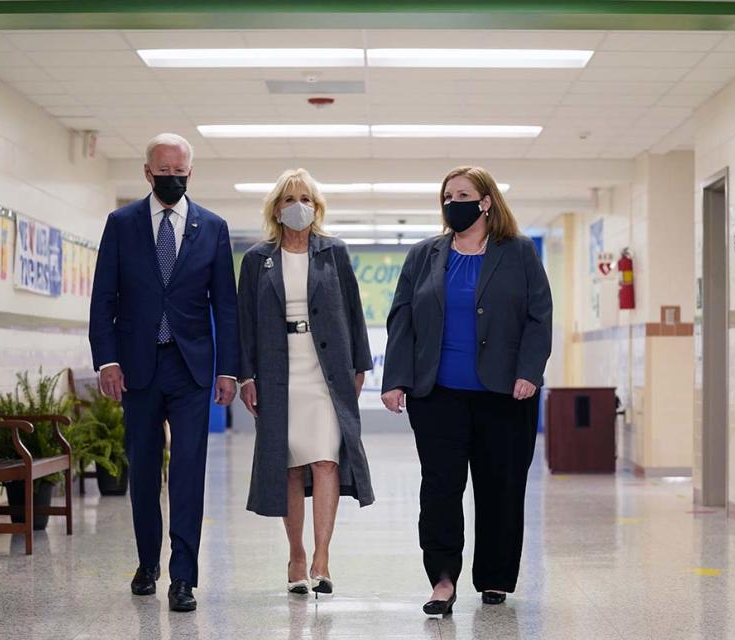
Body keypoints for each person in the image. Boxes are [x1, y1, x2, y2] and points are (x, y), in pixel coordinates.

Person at [380, 166, 552, 616]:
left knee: (500, 488)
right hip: (438, 395)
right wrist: (396, 378)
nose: (452, 201)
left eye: (462, 194)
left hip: (505, 396)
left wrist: (529, 372)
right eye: (446, 194)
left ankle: (494, 577)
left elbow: (539, 316)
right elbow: (402, 319)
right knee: (440, 489)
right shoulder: (424, 256)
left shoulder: (518, 253)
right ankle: (442, 580)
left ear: (486, 201)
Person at [89, 133, 239, 612]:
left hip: (191, 367)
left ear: (190, 172)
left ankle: (184, 578)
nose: (172, 178)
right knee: (145, 471)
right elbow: (103, 299)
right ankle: (148, 563)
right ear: (147, 172)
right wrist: (107, 360)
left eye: (180, 171)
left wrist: (229, 370)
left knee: (189, 473)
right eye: (164, 171)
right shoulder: (122, 224)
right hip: (137, 368)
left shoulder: (212, 228)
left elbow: (227, 308)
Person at [237, 168, 375, 596]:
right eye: (290, 198)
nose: (299, 206)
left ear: (317, 208)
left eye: (307, 199)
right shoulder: (257, 259)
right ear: (276, 208)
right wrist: (245, 376)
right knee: (290, 467)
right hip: (279, 373)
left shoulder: (334, 252)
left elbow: (353, 311)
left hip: (325, 373)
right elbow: (243, 324)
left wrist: (360, 366)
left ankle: (322, 556)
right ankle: (296, 554)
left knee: (326, 460)